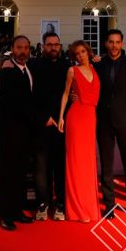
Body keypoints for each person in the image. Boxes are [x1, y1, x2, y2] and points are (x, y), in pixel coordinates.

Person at [94, 29, 126, 218]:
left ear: (122, 44)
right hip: (104, 122)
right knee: (106, 166)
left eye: (117, 42)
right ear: (106, 44)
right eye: (111, 42)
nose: (114, 46)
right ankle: (109, 206)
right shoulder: (98, 65)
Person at [0, 35, 36, 230]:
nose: (23, 51)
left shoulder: (27, 69)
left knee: (19, 173)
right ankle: (4, 213)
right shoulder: (7, 71)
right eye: (19, 47)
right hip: (8, 131)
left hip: (24, 132)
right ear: (12, 49)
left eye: (26, 48)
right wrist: (38, 117)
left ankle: (17, 210)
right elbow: (14, 102)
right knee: (7, 172)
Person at [58, 40, 101, 223]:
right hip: (76, 117)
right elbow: (66, 93)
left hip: (90, 118)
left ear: (88, 52)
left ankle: (89, 207)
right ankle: (77, 209)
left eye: (83, 51)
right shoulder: (72, 71)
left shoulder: (95, 67)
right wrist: (61, 117)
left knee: (88, 162)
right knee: (76, 162)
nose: (80, 56)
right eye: (77, 53)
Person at [31, 32, 70, 221]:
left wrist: (61, 117)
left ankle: (61, 203)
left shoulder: (68, 66)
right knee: (41, 167)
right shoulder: (33, 66)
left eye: (56, 44)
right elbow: (30, 95)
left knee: (60, 166)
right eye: (49, 44)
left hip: (62, 124)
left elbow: (70, 93)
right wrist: (44, 117)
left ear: (60, 46)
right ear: (43, 46)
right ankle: (43, 203)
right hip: (41, 123)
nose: (53, 47)